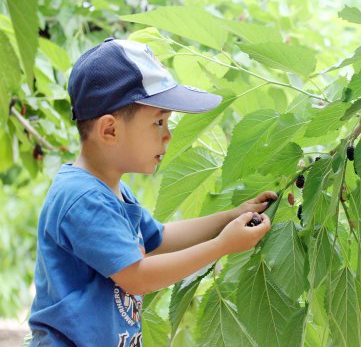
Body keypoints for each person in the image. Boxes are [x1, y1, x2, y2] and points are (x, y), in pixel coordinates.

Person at [28, 38, 274, 346]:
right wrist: (222, 246)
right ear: (110, 130)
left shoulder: (110, 189)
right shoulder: (82, 198)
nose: (168, 136)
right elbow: (139, 277)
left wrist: (231, 216)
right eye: (158, 122)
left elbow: (159, 239)